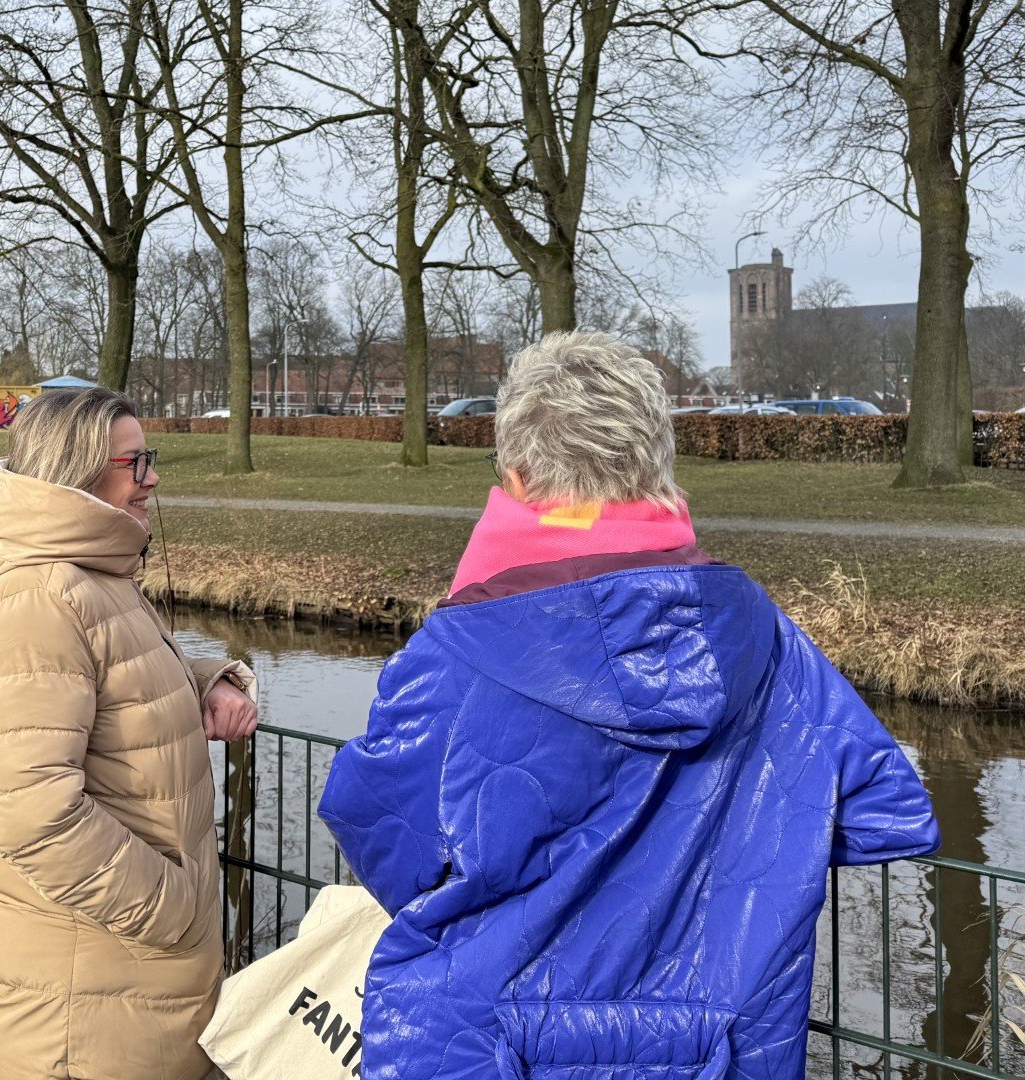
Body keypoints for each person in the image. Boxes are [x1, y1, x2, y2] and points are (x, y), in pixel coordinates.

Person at [317, 331, 940, 1080]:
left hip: (490, 1040)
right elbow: (881, 814)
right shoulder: (767, 639)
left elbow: (377, 827)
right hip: (720, 1044)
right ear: (655, 467)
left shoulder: (455, 654)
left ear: (516, 476)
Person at [0, 386, 260, 1080]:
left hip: (126, 997)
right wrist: (174, 908)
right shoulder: (37, 599)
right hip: (74, 1024)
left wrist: (204, 684)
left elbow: (110, 677)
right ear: (77, 470)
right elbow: (34, 816)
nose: (153, 478)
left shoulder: (89, 576)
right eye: (135, 462)